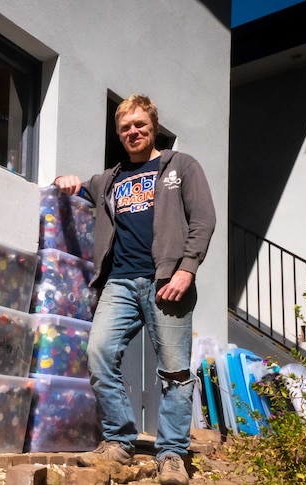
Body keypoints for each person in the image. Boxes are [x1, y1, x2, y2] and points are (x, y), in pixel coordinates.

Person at [53, 94, 215, 485]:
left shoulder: (181, 166)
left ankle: (172, 455)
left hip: (167, 281)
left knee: (175, 372)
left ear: (153, 127)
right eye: (125, 128)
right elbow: (70, 185)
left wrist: (186, 270)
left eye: (140, 125)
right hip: (120, 281)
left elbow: (204, 220)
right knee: (99, 353)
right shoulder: (109, 178)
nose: (133, 132)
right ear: (119, 134)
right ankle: (119, 439)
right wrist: (64, 180)